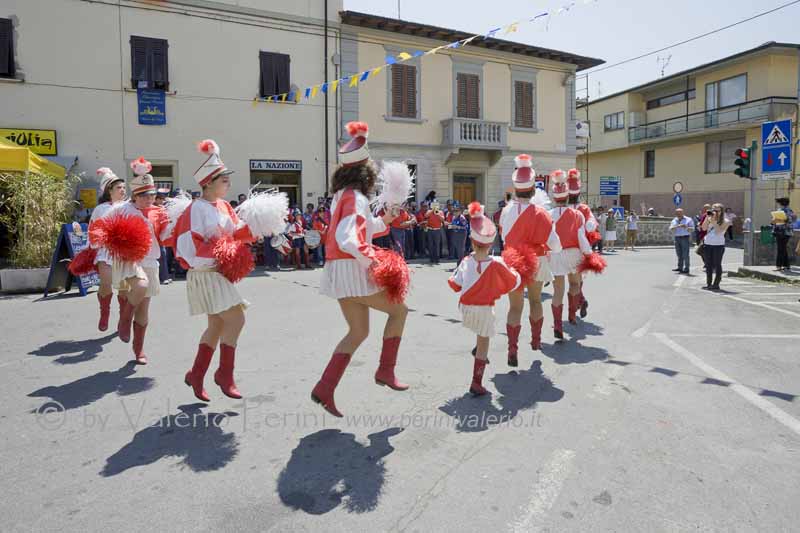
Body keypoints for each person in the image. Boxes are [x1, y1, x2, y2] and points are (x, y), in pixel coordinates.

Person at [313, 121, 409, 418]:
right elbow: (349, 238)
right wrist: (376, 262)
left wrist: (387, 221)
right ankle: (385, 370)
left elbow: (359, 231)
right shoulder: (355, 198)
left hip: (339, 271)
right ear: (365, 172)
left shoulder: (343, 196)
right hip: (353, 270)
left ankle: (324, 388)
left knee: (358, 331)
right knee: (399, 311)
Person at [176, 140, 256, 401]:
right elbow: (188, 248)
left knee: (217, 325)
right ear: (208, 182)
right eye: (224, 179)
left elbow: (236, 233)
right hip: (206, 273)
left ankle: (197, 374)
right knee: (236, 319)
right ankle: (224, 374)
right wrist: (220, 254)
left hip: (219, 273)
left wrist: (260, 227)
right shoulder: (195, 209)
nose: (228, 184)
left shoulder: (225, 206)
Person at [449, 204, 521, 395]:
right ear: (491, 244)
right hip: (483, 310)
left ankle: (478, 351)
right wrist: (514, 270)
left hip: (465, 309)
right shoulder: (497, 263)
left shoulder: (466, 261)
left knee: (479, 329)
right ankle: (476, 382)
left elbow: (454, 284)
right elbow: (514, 282)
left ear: (472, 242)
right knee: (484, 339)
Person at [501, 154, 561, 360]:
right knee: (536, 302)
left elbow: (503, 237)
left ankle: (512, 349)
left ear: (516, 189)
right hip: (537, 260)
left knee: (515, 306)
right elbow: (555, 244)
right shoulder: (543, 213)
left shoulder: (506, 212)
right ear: (534, 189)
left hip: (513, 261)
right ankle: (536, 341)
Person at [113, 157, 168, 365]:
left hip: (150, 260)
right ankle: (124, 319)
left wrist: (168, 226)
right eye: (144, 195)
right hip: (129, 260)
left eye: (152, 194)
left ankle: (139, 349)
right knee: (140, 285)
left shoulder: (159, 211)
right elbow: (109, 234)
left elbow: (164, 238)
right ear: (135, 195)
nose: (149, 198)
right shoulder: (122, 210)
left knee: (144, 310)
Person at [550, 170, 593, 337]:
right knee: (575, 284)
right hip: (574, 253)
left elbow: (547, 239)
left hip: (556, 254)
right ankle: (571, 316)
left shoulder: (548, 215)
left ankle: (557, 325)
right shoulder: (577, 214)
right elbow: (581, 238)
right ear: (567, 197)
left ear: (554, 198)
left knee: (557, 291)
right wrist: (588, 254)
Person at [89, 167, 127, 332]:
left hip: (125, 253)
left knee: (124, 288)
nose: (123, 190)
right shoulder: (100, 209)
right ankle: (104, 313)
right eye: (119, 187)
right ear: (109, 190)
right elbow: (93, 230)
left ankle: (122, 319)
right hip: (105, 252)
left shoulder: (129, 206)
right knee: (106, 283)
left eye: (124, 187)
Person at [566, 169, 598, 318]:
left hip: (565, 248)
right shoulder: (584, 209)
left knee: (572, 280)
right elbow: (592, 225)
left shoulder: (563, 209)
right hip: (582, 248)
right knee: (578, 279)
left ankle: (580, 301)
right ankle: (580, 301)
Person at [701, 203, 731, 291]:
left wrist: (714, 221)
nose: (715, 212)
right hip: (708, 244)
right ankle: (709, 283)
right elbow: (703, 228)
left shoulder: (726, 221)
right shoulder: (710, 218)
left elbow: (718, 231)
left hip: (718, 245)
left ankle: (716, 283)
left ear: (721, 211)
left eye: (717, 210)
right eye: (713, 210)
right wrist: (707, 217)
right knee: (708, 265)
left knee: (717, 264)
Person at [772, 198, 795, 271]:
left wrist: (775, 221)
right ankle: (786, 265)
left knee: (781, 249)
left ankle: (779, 266)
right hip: (786, 232)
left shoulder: (783, 211)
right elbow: (791, 221)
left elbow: (788, 221)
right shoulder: (789, 211)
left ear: (782, 203)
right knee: (783, 248)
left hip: (782, 232)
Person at [669, 208, 694, 274]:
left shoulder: (689, 219)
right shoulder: (674, 220)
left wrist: (686, 227)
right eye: (677, 213)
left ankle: (686, 268)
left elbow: (692, 229)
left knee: (685, 254)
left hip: (685, 238)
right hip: (677, 238)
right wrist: (676, 226)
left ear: (683, 213)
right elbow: (671, 229)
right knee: (679, 254)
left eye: (680, 213)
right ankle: (680, 267)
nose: (678, 214)